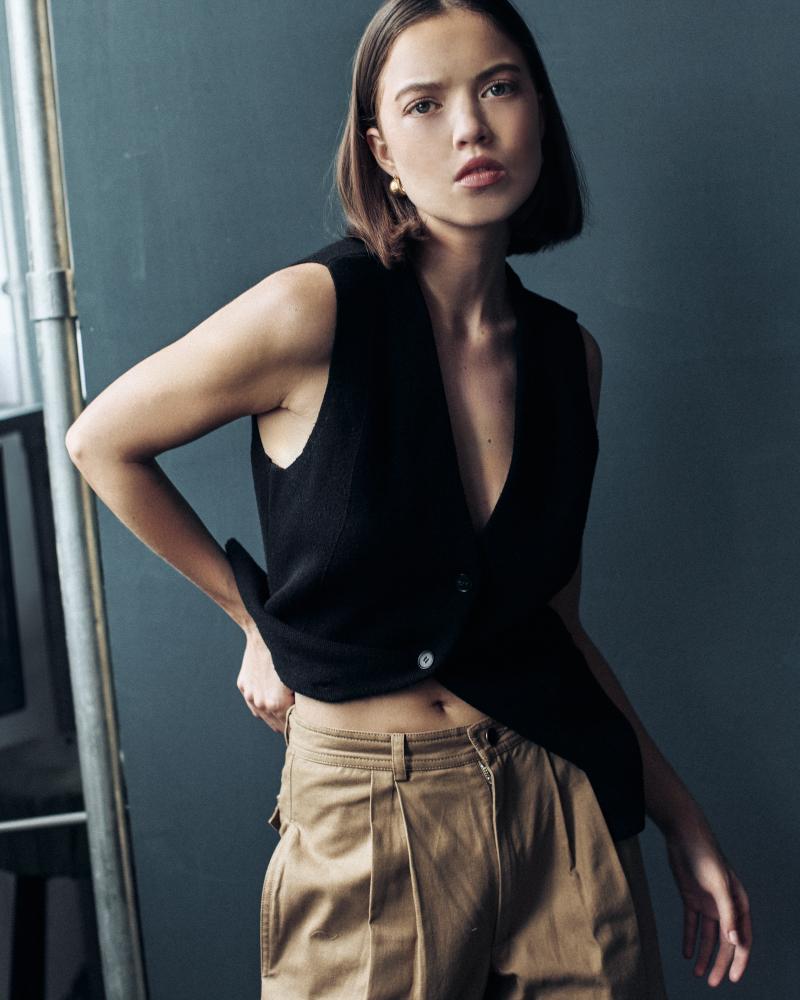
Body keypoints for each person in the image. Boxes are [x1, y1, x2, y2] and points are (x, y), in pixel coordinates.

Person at [66, 1, 752, 996]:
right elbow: (101, 442)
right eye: (424, 104)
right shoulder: (311, 311)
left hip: (561, 799)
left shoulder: (569, 357)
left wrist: (682, 820)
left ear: (539, 113)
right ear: (381, 150)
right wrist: (253, 621)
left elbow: (556, 624)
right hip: (371, 812)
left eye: (499, 87)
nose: (470, 127)